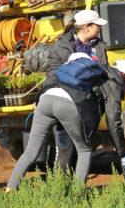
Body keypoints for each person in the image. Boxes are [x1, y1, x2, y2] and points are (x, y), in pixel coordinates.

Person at [7, 53, 107, 190]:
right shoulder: (89, 72)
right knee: (84, 149)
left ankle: (11, 187)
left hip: (46, 100)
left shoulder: (63, 70)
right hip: (67, 104)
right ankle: (78, 192)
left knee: (30, 151)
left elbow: (47, 86)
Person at [41, 9, 111, 172]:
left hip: (90, 107)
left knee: (84, 149)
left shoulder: (99, 46)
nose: (100, 29)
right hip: (67, 105)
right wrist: (43, 97)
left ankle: (78, 190)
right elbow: (52, 76)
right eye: (97, 25)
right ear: (87, 27)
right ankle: (62, 189)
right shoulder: (60, 48)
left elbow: (103, 72)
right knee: (66, 150)